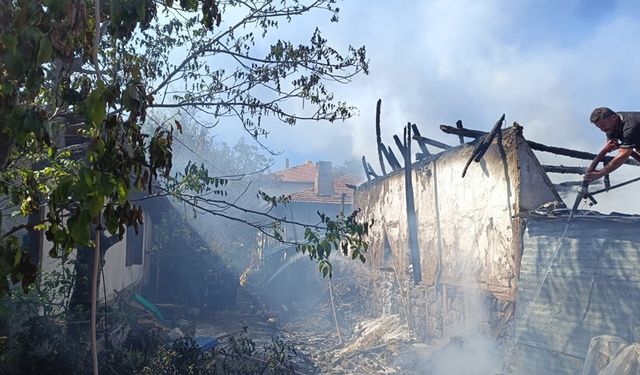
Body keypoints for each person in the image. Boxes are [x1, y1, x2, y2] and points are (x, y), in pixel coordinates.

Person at [585, 107, 640, 181]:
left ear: (613, 117)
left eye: (603, 125)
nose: (602, 130)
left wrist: (601, 173)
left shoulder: (630, 128)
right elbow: (612, 142)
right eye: (599, 127)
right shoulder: (612, 123)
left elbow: (623, 156)